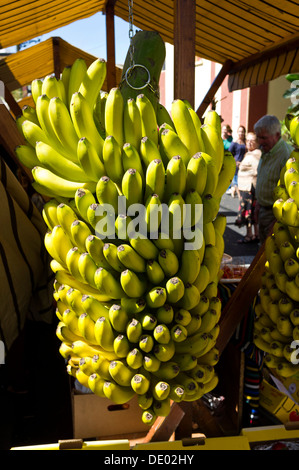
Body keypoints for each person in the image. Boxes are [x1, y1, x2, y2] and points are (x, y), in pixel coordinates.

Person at [254, 115, 293, 244]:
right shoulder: (266, 151)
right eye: (258, 137)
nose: (260, 141)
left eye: (263, 137)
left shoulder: (287, 155)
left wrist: (277, 221)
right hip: (263, 211)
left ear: (277, 135)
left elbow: (290, 194)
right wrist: (258, 204)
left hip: (275, 217)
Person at [234, 132, 261, 243]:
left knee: (249, 213)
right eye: (248, 140)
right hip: (245, 188)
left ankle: (250, 235)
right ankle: (255, 235)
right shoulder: (249, 153)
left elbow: (256, 171)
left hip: (249, 188)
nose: (249, 142)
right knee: (251, 213)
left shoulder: (257, 153)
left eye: (252, 140)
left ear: (257, 142)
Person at [228, 125, 246, 197]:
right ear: (237, 132)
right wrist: (234, 162)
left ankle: (233, 189)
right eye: (240, 131)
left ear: (244, 133)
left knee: (241, 182)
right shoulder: (234, 142)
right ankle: (240, 198)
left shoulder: (246, 142)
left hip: (244, 164)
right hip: (236, 165)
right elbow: (229, 154)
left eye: (242, 131)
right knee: (236, 181)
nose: (241, 133)